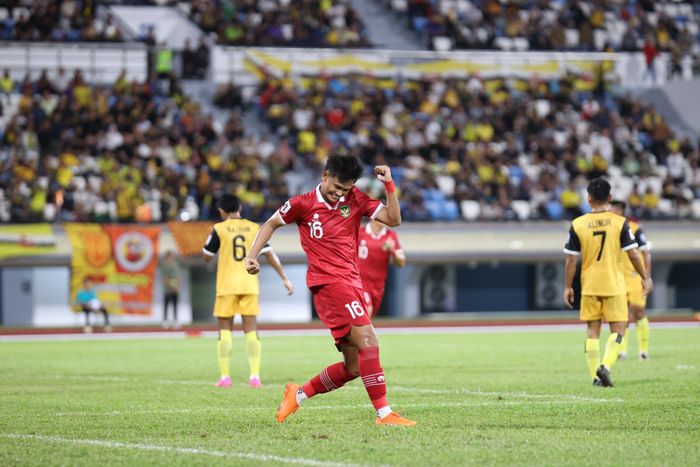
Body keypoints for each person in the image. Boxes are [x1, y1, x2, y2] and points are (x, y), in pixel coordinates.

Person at [245, 151, 416, 427]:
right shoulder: (302, 204)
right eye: (337, 187)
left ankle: (297, 396)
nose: (340, 194)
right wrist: (252, 255)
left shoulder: (355, 199)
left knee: (353, 368)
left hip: (351, 283)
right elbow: (270, 224)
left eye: (345, 189)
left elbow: (394, 219)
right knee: (369, 340)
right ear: (325, 176)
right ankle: (384, 414)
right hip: (329, 284)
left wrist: (389, 185)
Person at [563, 178, 653, 388]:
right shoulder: (620, 223)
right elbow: (633, 254)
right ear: (610, 198)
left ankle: (595, 376)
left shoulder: (577, 224)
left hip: (589, 285)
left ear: (588, 198)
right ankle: (606, 365)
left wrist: (568, 286)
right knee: (619, 330)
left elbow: (571, 259)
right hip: (614, 284)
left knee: (592, 331)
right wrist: (645, 277)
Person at [203, 194, 293, 388]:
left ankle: (225, 377)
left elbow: (207, 256)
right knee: (251, 330)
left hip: (226, 286)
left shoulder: (219, 229)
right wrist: (284, 278)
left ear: (221, 211)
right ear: (240, 207)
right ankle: (254, 377)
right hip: (249, 285)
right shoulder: (254, 228)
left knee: (225, 331)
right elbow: (269, 254)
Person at [609, 200, 652, 360]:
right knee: (621, 315)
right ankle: (622, 351)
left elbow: (646, 252)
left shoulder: (635, 228)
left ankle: (643, 350)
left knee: (639, 311)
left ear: (620, 210)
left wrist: (646, 276)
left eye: (612, 209)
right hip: (617, 278)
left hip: (634, 277)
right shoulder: (609, 229)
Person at [358, 219, 406, 317]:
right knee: (366, 312)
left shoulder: (391, 236)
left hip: (378, 285)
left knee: (367, 318)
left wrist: (393, 250)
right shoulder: (359, 233)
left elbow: (401, 263)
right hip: (360, 282)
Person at [160, 250, 181, 329]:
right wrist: (170, 286)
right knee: (166, 305)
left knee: (175, 305)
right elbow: (164, 278)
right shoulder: (164, 265)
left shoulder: (175, 264)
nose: (170, 258)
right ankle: (165, 321)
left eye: (171, 256)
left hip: (175, 289)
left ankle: (175, 320)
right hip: (167, 289)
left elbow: (178, 276)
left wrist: (177, 287)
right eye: (169, 256)